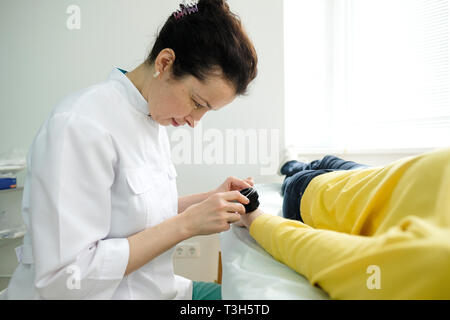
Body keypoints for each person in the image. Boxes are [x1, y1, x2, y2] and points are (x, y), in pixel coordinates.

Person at [4, 0, 258, 300]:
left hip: (162, 290)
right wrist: (187, 225)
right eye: (197, 103)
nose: (195, 122)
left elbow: (133, 212)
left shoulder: (152, 116)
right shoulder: (79, 126)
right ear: (165, 63)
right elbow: (63, 280)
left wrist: (207, 201)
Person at [240, 148, 450, 299]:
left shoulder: (436, 261)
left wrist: (254, 218)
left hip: (313, 191)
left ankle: (291, 169)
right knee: (327, 160)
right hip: (374, 175)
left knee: (295, 179)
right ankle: (294, 165)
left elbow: (316, 252)